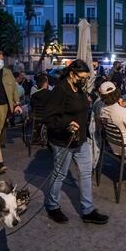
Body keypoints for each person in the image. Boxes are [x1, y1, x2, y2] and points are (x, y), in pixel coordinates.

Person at [44, 59, 109, 225]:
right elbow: (49, 118)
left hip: (80, 140)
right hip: (62, 141)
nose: (84, 81)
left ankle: (87, 210)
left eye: (87, 78)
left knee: (86, 173)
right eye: (82, 77)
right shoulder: (60, 90)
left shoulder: (79, 88)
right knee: (60, 174)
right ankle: (52, 206)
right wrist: (67, 124)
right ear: (72, 74)